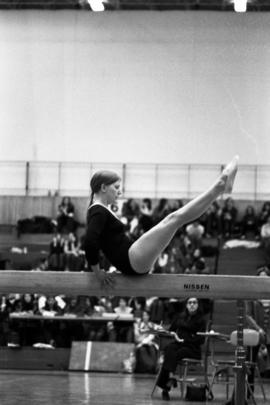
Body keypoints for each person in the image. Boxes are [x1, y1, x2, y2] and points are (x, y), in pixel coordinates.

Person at [84, 156, 239, 287]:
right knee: (174, 219)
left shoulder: (100, 210)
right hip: (131, 259)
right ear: (103, 187)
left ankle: (219, 189)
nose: (120, 191)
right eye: (116, 187)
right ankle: (219, 187)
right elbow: (90, 241)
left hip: (132, 259)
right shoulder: (97, 209)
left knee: (175, 220)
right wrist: (97, 272)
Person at [156, 297, 207, 400]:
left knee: (176, 353)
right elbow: (171, 331)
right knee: (169, 349)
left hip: (193, 349)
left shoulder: (201, 320)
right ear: (186, 305)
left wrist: (185, 340)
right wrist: (162, 330)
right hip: (179, 343)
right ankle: (170, 377)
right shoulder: (180, 317)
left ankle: (166, 387)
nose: (192, 304)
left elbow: (201, 340)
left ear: (197, 305)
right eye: (190, 302)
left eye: (194, 302)